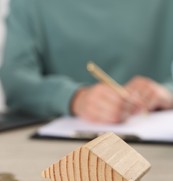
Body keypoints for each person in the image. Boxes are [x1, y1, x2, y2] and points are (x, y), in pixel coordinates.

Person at [0, 0, 173, 123]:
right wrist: (74, 98)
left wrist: (167, 92)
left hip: (153, 139)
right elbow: (16, 81)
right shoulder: (30, 4)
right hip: (52, 143)